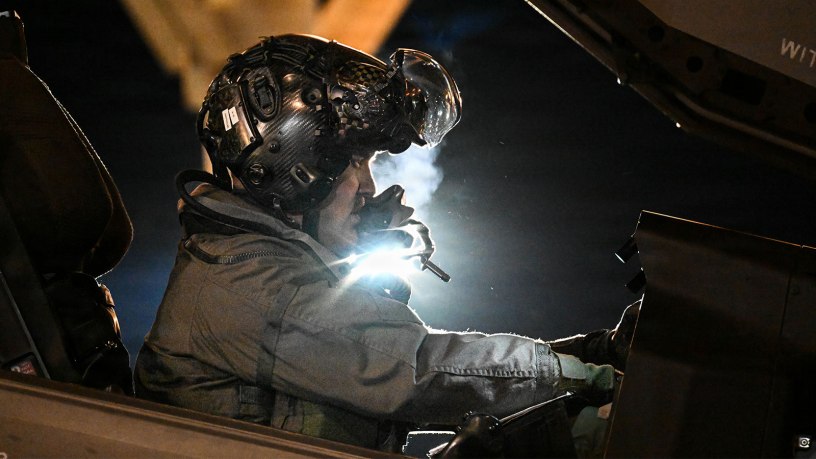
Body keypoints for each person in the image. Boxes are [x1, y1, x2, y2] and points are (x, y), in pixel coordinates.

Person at [134, 34, 637, 454]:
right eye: (356, 162)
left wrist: (596, 352)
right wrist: (584, 378)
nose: (371, 188)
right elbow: (415, 369)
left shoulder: (257, 264)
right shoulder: (248, 285)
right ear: (295, 167)